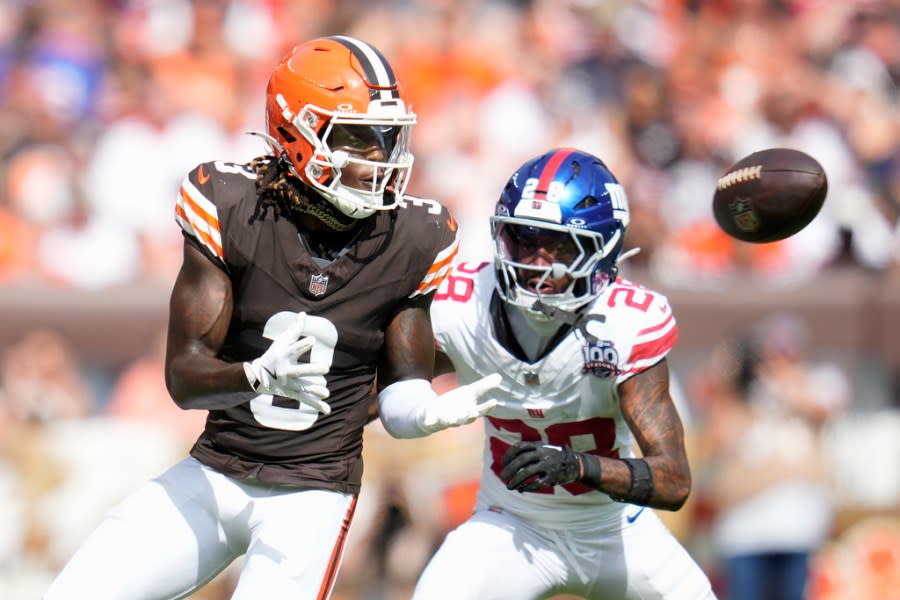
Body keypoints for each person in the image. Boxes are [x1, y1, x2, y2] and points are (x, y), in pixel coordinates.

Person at [44, 35, 498, 600]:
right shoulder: (231, 205)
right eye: (357, 137)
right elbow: (185, 380)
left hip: (313, 494)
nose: (378, 158)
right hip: (214, 472)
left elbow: (401, 388)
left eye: (386, 138)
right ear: (295, 131)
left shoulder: (416, 236)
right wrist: (252, 376)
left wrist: (424, 411)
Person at [379, 148, 716, 599]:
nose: (537, 263)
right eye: (525, 239)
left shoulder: (626, 322)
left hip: (614, 528)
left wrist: (576, 466)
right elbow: (383, 387)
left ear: (601, 250)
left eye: (557, 246)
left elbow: (674, 480)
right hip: (511, 525)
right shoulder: (462, 305)